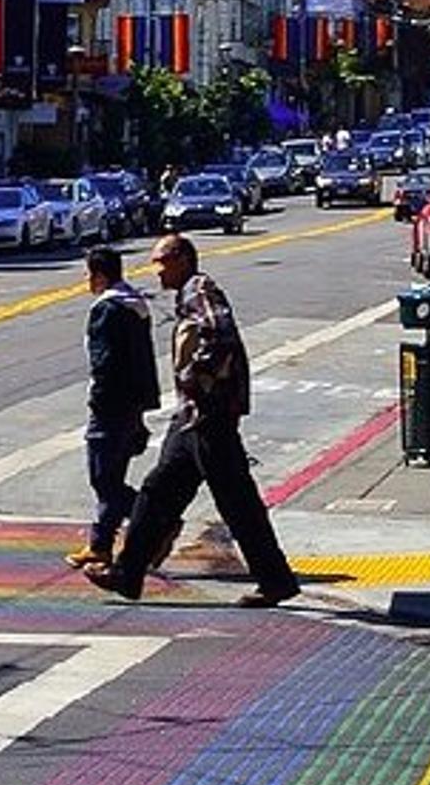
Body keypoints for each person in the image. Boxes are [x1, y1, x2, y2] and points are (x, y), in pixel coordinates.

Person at [84, 234, 301, 607]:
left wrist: (193, 379)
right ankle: (127, 573)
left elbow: (219, 335)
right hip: (191, 418)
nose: (157, 272)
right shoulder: (188, 294)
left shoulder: (199, 289)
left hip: (208, 418)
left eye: (161, 263)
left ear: (182, 260)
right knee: (156, 493)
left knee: (238, 503)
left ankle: (276, 580)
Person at [65, 246, 162, 569]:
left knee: (103, 478)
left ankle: (159, 524)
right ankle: (100, 545)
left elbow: (104, 363)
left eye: (88, 273)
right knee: (113, 477)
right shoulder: (136, 305)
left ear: (100, 275)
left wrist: (98, 400)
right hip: (133, 402)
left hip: (111, 405)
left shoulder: (106, 310)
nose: (86, 280)